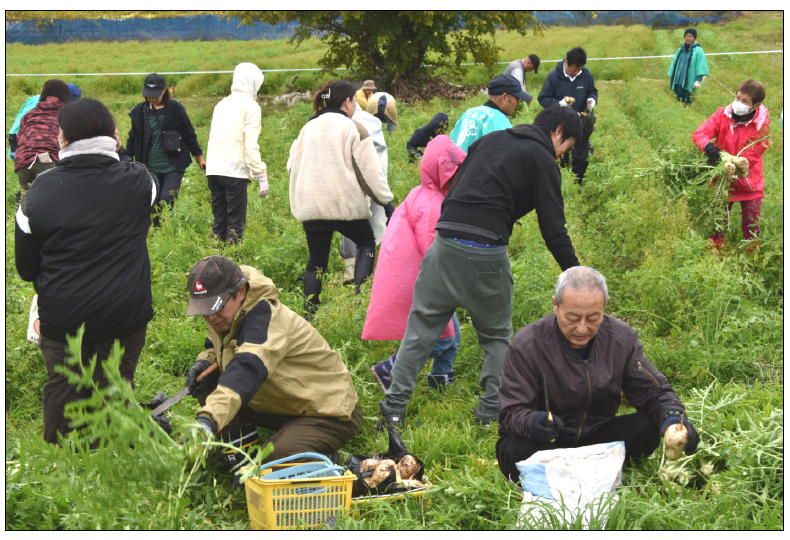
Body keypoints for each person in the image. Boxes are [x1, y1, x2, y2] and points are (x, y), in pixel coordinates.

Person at [378, 105, 582, 430]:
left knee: (419, 334)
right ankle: (489, 414)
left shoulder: (489, 141)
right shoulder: (543, 160)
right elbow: (554, 229)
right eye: (566, 147)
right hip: (488, 254)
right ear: (558, 133)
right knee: (497, 338)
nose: (561, 155)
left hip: (443, 244)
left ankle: (392, 410)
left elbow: (458, 188)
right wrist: (577, 275)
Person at [15, 98, 159, 445]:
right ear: (113, 136)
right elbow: (144, 187)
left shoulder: (37, 195)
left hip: (64, 317)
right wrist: (116, 152)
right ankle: (113, 451)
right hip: (125, 312)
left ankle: (66, 461)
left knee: (63, 386)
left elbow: (26, 268)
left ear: (62, 139)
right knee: (116, 384)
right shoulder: (140, 182)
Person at [496, 266, 700, 483]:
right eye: (572, 318)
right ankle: (587, 473)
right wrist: (533, 423)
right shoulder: (527, 345)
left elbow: (653, 391)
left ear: (605, 306)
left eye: (593, 318)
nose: (582, 328)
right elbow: (511, 411)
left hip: (596, 438)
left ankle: (574, 473)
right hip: (547, 442)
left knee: (647, 428)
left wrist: (673, 418)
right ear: (555, 305)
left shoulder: (621, 339)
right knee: (515, 451)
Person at [182, 256, 362, 479]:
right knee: (207, 381)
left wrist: (207, 419)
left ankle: (315, 457)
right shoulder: (228, 313)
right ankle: (241, 457)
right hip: (282, 402)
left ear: (240, 292)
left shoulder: (265, 320)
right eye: (204, 309)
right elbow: (218, 346)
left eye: (216, 308)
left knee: (269, 465)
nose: (210, 317)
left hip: (325, 411)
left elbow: (245, 370)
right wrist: (205, 362)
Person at [364, 135, 466, 391]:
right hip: (421, 280)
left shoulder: (428, 195)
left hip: (420, 277)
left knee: (451, 336)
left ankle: (440, 384)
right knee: (440, 338)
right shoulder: (432, 204)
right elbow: (434, 248)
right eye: (455, 172)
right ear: (442, 173)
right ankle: (391, 369)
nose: (460, 179)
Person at [288, 80, 393, 318]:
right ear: (347, 102)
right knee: (366, 241)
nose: (356, 105)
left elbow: (291, 165)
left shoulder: (307, 128)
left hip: (312, 207)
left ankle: (309, 315)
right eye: (355, 101)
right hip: (345, 207)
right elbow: (370, 172)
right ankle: (360, 300)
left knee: (316, 261)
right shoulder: (353, 127)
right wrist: (386, 203)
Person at [692, 79, 770, 252]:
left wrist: (733, 163)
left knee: (751, 226)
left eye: (745, 101)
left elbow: (752, 155)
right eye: (738, 98)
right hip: (722, 180)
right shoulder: (722, 115)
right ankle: (715, 259)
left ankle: (752, 263)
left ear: (755, 106)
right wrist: (709, 147)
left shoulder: (761, 127)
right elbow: (700, 133)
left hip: (749, 182)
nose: (739, 103)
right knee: (718, 224)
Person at [127, 73, 205, 228]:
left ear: (164, 91)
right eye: (149, 95)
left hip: (173, 165)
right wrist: (126, 161)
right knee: (152, 200)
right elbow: (133, 138)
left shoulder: (175, 108)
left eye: (155, 95)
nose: (152, 98)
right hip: (149, 166)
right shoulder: (139, 112)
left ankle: (164, 227)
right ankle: (157, 229)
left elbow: (189, 132)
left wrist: (199, 157)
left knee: (167, 198)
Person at [205, 62, 268, 244]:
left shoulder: (221, 104)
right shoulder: (250, 106)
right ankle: (232, 267)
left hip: (214, 170)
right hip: (235, 172)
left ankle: (212, 264)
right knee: (235, 226)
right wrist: (260, 172)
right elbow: (250, 144)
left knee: (219, 224)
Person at [339, 101, 392, 285]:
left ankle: (354, 275)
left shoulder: (344, 124)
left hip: (355, 184)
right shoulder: (369, 123)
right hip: (373, 180)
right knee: (371, 232)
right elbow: (378, 165)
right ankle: (369, 277)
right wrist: (384, 196)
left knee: (355, 229)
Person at [538, 47, 598, 185]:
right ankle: (560, 183)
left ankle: (577, 184)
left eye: (580, 69)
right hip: (562, 124)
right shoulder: (554, 76)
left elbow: (593, 91)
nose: (577, 72)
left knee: (581, 155)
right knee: (561, 154)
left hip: (582, 122)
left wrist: (592, 100)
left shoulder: (586, 74)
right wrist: (560, 103)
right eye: (575, 69)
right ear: (567, 63)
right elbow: (543, 98)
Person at [13, 79, 71, 191]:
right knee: (53, 201)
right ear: (65, 95)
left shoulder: (29, 114)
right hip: (50, 161)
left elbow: (19, 138)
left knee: (26, 204)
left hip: (24, 162)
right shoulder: (67, 114)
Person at [449, 74, 529, 153]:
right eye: (517, 99)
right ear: (504, 98)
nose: (518, 103)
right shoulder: (500, 121)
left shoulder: (468, 113)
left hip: (455, 165)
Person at [8, 83, 81, 160]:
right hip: (28, 146)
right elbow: (19, 124)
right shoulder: (39, 103)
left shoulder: (44, 102)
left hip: (31, 147)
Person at [667, 28, 708, 106]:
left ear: (694, 38)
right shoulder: (680, 50)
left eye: (691, 36)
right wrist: (672, 79)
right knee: (678, 103)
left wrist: (698, 80)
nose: (688, 38)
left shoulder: (698, 51)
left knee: (688, 103)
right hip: (678, 82)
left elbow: (701, 66)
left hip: (690, 83)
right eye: (686, 36)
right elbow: (674, 65)